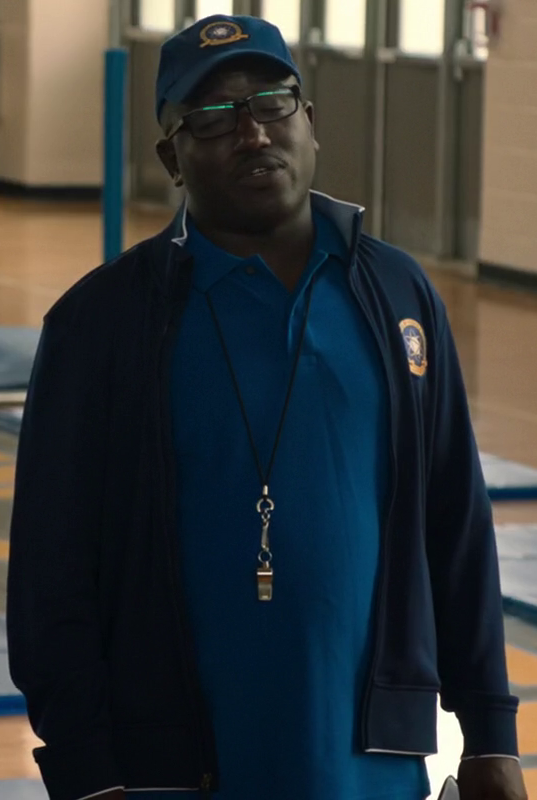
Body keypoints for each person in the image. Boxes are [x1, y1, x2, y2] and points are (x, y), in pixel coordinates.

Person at [6, 14, 528, 800]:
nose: (251, 133)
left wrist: (489, 734)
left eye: (271, 104)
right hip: (175, 767)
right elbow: (53, 565)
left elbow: (453, 519)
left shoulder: (396, 294)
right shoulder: (104, 322)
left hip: (370, 760)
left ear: (308, 121)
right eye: (212, 117)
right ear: (171, 158)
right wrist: (85, 768)